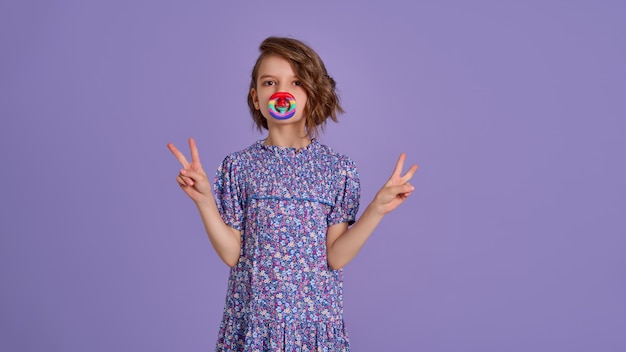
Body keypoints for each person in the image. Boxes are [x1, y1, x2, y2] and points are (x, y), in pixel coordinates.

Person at [167, 37, 418, 351]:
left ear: (312, 95)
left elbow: (336, 256)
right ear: (256, 98)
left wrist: (377, 209)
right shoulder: (238, 166)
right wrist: (204, 200)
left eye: (296, 82)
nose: (281, 90)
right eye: (269, 82)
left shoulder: (337, 169)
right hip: (254, 320)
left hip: (313, 324)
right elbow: (232, 253)